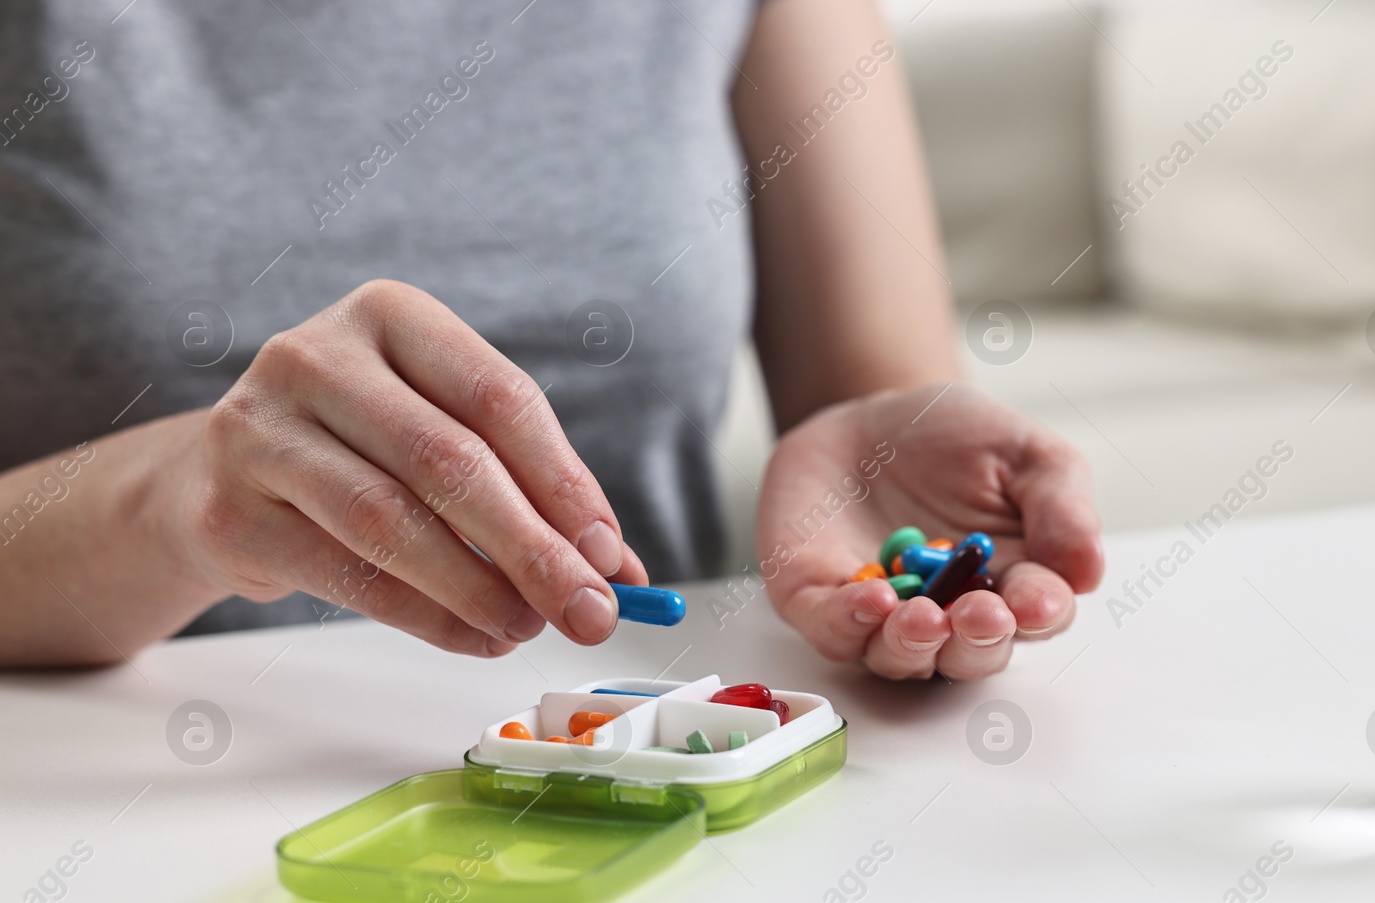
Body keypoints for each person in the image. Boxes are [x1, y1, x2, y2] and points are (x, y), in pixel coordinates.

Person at [0, 0, 1101, 681]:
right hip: (118, 819)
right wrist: (179, 496)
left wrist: (887, 488)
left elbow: (878, 391)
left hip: (638, 789)